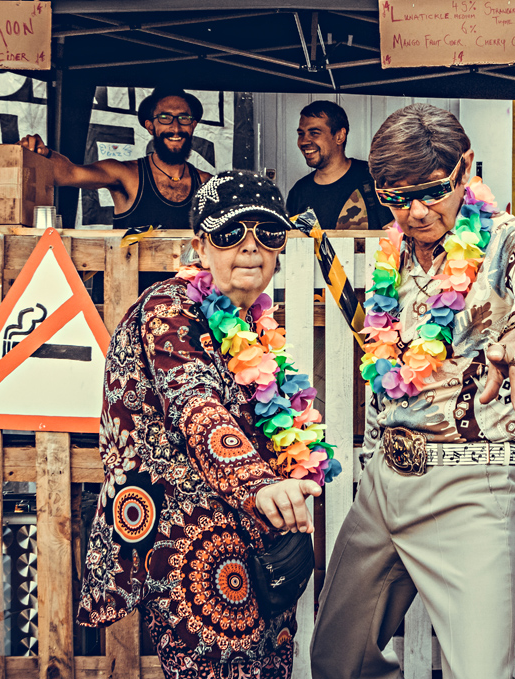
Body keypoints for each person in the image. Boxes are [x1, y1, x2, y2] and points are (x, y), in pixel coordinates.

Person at [310, 103, 515, 679]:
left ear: (466, 167)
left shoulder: (509, 235)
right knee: (337, 657)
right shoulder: (393, 250)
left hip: (469, 483)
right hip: (384, 479)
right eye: (396, 197)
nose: (417, 211)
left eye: (431, 191)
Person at [77, 170, 339, 679]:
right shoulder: (168, 311)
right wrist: (259, 483)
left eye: (268, 234)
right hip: (190, 553)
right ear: (200, 243)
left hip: (254, 543)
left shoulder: (251, 323)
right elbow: (196, 405)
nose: (251, 248)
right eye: (230, 233)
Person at [19, 86, 211, 230]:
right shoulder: (127, 174)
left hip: (189, 284)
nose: (175, 128)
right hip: (128, 284)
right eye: (165, 118)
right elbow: (70, 173)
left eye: (183, 118)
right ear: (151, 127)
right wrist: (42, 155)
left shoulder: (206, 183)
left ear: (192, 125)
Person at [286, 100, 393, 230]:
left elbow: (394, 236)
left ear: (339, 136)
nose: (303, 141)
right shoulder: (298, 192)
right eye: (301, 134)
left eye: (314, 133)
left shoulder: (373, 179)